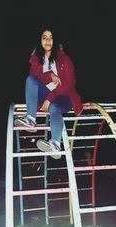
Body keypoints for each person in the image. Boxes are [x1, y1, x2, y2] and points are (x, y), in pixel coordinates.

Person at [14, 28, 83, 159]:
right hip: (46, 95)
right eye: (44, 37)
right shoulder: (36, 59)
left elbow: (69, 84)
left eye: (50, 37)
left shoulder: (64, 59)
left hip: (64, 96)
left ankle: (56, 143)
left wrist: (49, 99)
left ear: (55, 40)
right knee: (30, 79)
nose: (47, 41)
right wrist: (49, 74)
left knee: (54, 106)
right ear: (39, 40)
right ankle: (30, 118)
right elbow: (35, 80)